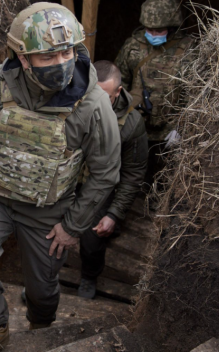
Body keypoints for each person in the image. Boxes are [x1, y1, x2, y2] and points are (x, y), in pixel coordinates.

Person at [0, 2, 121, 351]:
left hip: (48, 211)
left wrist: (73, 226)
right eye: (46, 56)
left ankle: (42, 326)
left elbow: (105, 173)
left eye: (66, 51)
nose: (61, 63)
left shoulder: (93, 103)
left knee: (42, 289)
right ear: (23, 58)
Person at [76, 61, 148, 299]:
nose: (95, 101)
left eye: (104, 96)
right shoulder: (72, 102)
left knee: (92, 235)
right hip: (70, 179)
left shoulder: (131, 124)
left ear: (118, 92)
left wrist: (114, 214)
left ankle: (89, 275)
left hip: (101, 188)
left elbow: (133, 174)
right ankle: (41, 282)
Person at [114, 0, 194, 144]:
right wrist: (117, 118)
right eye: (149, 30)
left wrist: (182, 127)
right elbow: (119, 83)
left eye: (159, 31)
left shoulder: (188, 50)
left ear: (171, 28)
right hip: (135, 124)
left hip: (169, 128)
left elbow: (193, 93)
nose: (152, 34)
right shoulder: (133, 46)